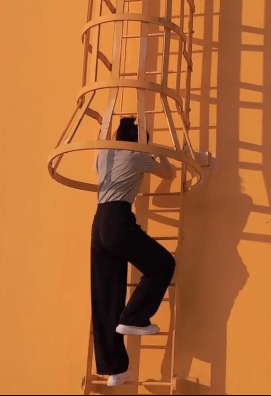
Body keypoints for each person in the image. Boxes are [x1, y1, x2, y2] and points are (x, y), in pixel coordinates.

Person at [91, 117, 177, 387]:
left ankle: (115, 370)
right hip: (118, 218)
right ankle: (135, 317)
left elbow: (104, 157)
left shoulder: (103, 155)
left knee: (106, 293)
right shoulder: (138, 155)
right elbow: (169, 174)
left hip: (99, 222)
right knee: (163, 264)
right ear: (140, 140)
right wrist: (161, 153)